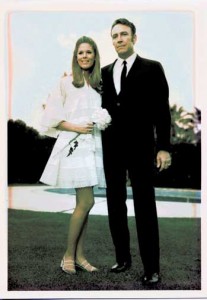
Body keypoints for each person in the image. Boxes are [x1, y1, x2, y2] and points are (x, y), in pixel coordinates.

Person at [101, 18, 171, 285]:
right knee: (115, 205)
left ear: (134, 38)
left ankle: (151, 267)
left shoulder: (152, 68)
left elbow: (162, 112)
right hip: (112, 150)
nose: (119, 39)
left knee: (144, 206)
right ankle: (123, 258)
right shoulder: (105, 72)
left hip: (142, 149)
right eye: (115, 36)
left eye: (124, 34)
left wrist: (163, 147)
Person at [39, 36, 108, 274]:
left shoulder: (101, 84)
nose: (85, 56)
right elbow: (52, 119)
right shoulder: (66, 83)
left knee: (84, 204)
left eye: (89, 52)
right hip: (75, 145)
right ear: (75, 56)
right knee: (87, 201)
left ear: (95, 55)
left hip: (94, 146)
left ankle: (80, 256)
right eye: (81, 52)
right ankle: (68, 255)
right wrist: (77, 127)